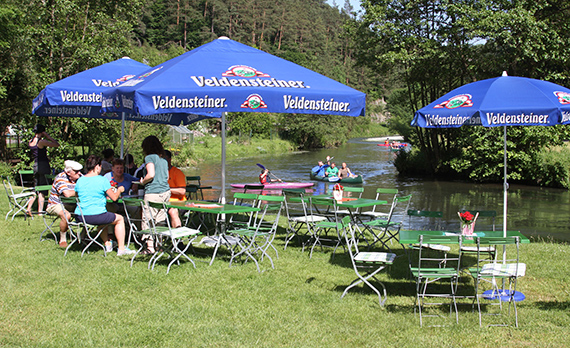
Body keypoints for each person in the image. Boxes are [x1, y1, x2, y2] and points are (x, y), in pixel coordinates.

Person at [73, 155, 135, 256]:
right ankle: (121, 248)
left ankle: (107, 244)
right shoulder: (102, 180)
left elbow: (77, 196)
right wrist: (119, 190)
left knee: (103, 220)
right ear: (97, 166)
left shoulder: (80, 180)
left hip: (80, 216)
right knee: (119, 219)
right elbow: (114, 198)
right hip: (96, 216)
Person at [140, 136, 170, 254]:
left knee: (148, 219)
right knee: (160, 220)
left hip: (153, 192)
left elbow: (151, 174)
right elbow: (167, 177)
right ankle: (159, 245)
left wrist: (143, 181)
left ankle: (150, 247)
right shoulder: (164, 160)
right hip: (165, 192)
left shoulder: (149, 157)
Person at [45, 160, 83, 248]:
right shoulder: (60, 178)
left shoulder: (80, 177)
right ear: (68, 173)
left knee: (90, 212)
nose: (79, 173)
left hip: (74, 204)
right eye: (76, 172)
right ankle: (63, 238)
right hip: (56, 204)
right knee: (66, 215)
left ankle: (83, 236)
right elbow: (67, 194)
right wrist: (82, 191)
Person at [27, 124, 59, 216]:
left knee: (35, 187)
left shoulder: (31, 141)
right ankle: (40, 211)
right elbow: (56, 144)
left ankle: (29, 208)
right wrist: (48, 136)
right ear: (42, 132)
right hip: (43, 165)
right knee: (43, 189)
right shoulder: (41, 142)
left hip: (35, 166)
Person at [164, 150, 186, 228]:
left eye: (165, 159)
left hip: (178, 203)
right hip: (162, 202)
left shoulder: (177, 172)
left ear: (169, 159)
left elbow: (182, 191)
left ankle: (177, 236)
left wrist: (167, 190)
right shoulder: (158, 173)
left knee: (173, 211)